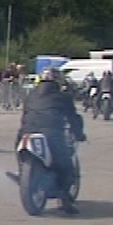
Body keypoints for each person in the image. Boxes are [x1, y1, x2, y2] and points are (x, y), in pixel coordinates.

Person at [15, 67, 86, 214]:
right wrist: (79, 134)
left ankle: (22, 172)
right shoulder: (63, 96)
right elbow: (73, 118)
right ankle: (65, 198)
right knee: (66, 165)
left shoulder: (30, 96)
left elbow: (25, 116)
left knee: (18, 149)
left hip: (26, 131)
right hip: (51, 132)